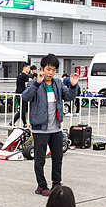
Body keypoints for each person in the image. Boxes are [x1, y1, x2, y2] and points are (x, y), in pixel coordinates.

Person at [22, 54, 80, 196]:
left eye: (53, 70)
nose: (50, 73)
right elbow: (25, 97)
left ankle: (56, 183)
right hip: (40, 128)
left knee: (58, 158)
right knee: (40, 159)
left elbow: (70, 97)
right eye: (48, 69)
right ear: (42, 68)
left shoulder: (58, 84)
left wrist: (73, 85)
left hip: (56, 128)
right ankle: (41, 186)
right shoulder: (34, 83)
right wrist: (36, 83)